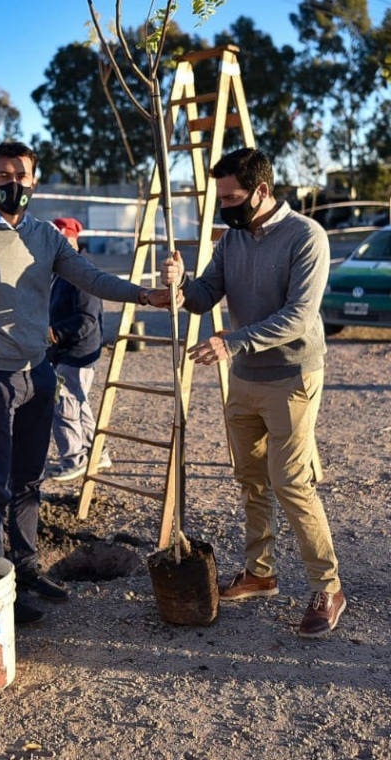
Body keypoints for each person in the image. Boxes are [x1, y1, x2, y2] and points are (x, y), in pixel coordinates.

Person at [0, 141, 175, 624]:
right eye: (3, 175)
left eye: (21, 174)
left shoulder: (46, 237)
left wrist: (145, 295)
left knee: (28, 481)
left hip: (38, 373)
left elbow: (90, 277)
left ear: (35, 181)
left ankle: (25, 567)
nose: (12, 183)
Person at [160, 147, 345, 639]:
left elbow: (299, 317)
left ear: (261, 191)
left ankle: (328, 586)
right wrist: (180, 287)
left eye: (232, 197)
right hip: (244, 379)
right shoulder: (232, 238)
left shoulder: (307, 237)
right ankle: (260, 573)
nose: (225, 207)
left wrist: (230, 341)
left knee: (291, 483)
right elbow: (204, 297)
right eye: (221, 198)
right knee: (250, 478)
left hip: (292, 379)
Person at [46, 217, 112, 482]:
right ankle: (99, 452)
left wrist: (54, 333)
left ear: (69, 239)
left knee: (64, 402)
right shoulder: (61, 269)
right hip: (67, 349)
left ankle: (74, 459)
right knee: (79, 402)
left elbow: (87, 319)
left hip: (77, 350)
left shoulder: (81, 271)